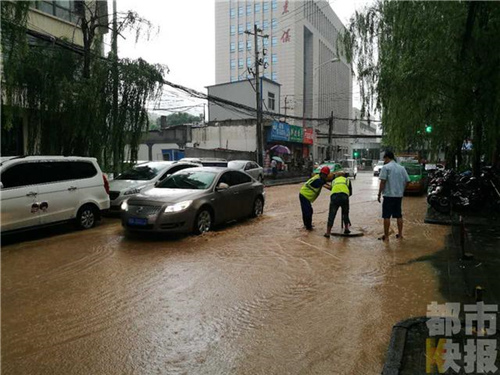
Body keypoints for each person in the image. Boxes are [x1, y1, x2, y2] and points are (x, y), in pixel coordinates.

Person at [377, 151, 410, 241]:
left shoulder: (386, 167)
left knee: (386, 216)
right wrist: (402, 191)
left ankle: (387, 237)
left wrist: (379, 193)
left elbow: (382, 182)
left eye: (384, 159)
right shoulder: (401, 168)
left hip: (388, 195)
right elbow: (407, 181)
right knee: (399, 215)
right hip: (398, 196)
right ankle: (400, 235)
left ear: (387, 158)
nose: (384, 161)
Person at [324, 171, 353, 238]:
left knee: (332, 214)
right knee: (345, 213)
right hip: (344, 196)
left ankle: (328, 232)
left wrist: (323, 185)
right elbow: (350, 192)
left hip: (334, 197)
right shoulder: (347, 180)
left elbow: (332, 188)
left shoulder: (334, 181)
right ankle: (346, 229)